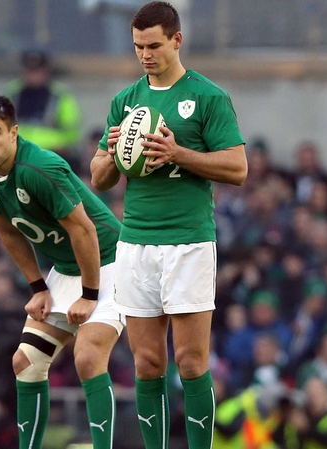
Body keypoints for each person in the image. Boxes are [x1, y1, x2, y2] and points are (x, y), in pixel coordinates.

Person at [89, 2, 248, 448]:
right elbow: (99, 178)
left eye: (154, 45)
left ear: (177, 40)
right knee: (146, 362)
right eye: (138, 46)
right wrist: (114, 154)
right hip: (136, 243)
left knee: (192, 362)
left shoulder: (208, 96)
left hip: (188, 241)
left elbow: (238, 168)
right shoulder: (125, 101)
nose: (145, 55)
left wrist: (178, 154)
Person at [0, 94, 124, 449]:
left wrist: (89, 295)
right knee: (26, 361)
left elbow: (85, 231)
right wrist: (38, 287)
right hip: (66, 268)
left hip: (110, 262)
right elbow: (9, 233)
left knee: (87, 358)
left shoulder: (40, 168)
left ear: (14, 133)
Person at [6, 51, 81, 168]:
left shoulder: (59, 95)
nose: (33, 76)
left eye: (37, 71)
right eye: (30, 71)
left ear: (46, 72)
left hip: (50, 155)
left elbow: (71, 130)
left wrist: (60, 145)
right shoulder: (13, 93)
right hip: (17, 154)